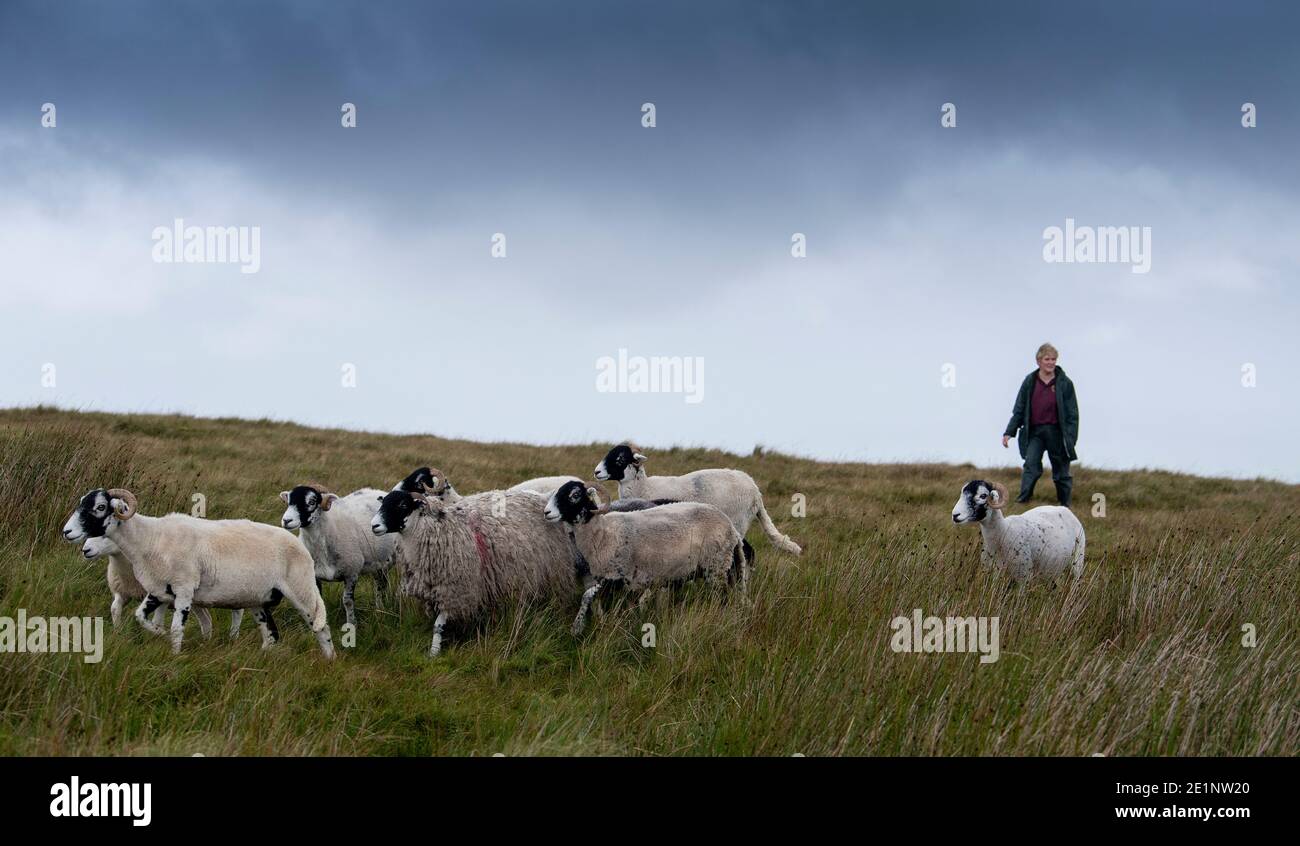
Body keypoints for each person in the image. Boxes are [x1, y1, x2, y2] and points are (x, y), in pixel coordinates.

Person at [1001, 343, 1078, 507]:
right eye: (1047, 359)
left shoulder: (1065, 383)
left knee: (1061, 473)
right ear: (1038, 361)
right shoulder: (1029, 382)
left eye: (1053, 359)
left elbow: (1073, 415)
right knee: (1031, 466)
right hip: (1035, 432)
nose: (1050, 362)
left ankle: (1065, 505)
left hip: (1057, 433)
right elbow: (1019, 410)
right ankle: (1023, 500)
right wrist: (1009, 432)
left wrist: (1070, 439)